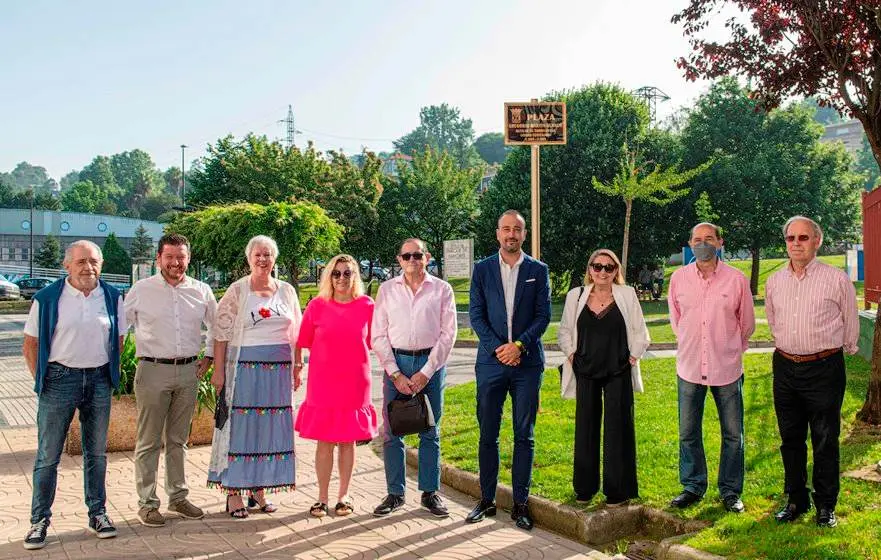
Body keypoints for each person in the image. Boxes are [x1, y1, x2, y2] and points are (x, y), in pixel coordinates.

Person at [21, 240, 124, 549]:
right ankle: (39, 520)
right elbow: (30, 345)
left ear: (101, 264)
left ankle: (98, 513)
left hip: (98, 379)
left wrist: (108, 375)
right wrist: (44, 380)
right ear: (67, 265)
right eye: (81, 261)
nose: (87, 267)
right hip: (59, 378)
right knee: (48, 455)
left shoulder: (112, 296)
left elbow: (118, 340)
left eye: (93, 261)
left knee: (96, 454)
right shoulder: (47, 298)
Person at [765, 216, 859, 528]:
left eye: (803, 238)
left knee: (825, 438)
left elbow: (850, 322)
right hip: (786, 367)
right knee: (790, 438)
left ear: (816, 242)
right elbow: (774, 320)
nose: (796, 244)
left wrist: (837, 350)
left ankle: (825, 505)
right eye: (790, 238)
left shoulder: (836, 279)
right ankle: (795, 499)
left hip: (825, 368)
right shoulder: (775, 282)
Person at [466, 210, 551, 531]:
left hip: (527, 365)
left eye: (517, 229)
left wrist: (520, 346)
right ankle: (486, 500)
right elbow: (476, 314)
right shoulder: (483, 269)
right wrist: (500, 348)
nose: (511, 234)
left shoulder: (538, 270)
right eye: (506, 229)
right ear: (498, 233)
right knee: (488, 434)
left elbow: (543, 316)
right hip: (491, 363)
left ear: (524, 234)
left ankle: (520, 504)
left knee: (524, 436)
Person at [124, 233, 217, 527]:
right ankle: (148, 504)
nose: (176, 263)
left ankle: (178, 497)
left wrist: (210, 357)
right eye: (170, 257)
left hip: (189, 371)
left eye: (181, 257)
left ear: (188, 258)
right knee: (148, 441)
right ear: (159, 259)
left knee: (178, 440)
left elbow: (216, 326)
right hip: (152, 370)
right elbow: (119, 327)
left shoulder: (201, 291)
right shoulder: (141, 289)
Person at [207, 236, 301, 518]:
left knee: (269, 431)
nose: (263, 259)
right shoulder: (238, 290)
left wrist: (298, 365)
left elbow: (297, 332)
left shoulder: (286, 291)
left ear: (275, 259)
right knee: (241, 430)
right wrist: (219, 371)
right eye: (258, 254)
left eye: (268, 254)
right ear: (249, 258)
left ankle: (258, 490)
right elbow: (220, 334)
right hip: (245, 370)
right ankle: (234, 492)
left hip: (278, 372)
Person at [667, 223, 755, 513]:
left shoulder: (737, 280)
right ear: (690, 243)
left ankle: (730, 491)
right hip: (690, 367)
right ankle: (693, 485)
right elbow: (677, 320)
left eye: (708, 239)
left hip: (727, 368)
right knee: (687, 432)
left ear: (720, 242)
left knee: (733, 434)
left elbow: (747, 324)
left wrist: (728, 349)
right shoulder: (678, 279)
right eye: (697, 239)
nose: (702, 244)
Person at [371, 238, 457, 518]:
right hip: (396, 362)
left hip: (429, 363)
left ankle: (430, 493)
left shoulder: (442, 290)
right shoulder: (386, 290)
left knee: (430, 430)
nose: (412, 260)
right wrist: (395, 373)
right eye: (406, 256)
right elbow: (378, 334)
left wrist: (426, 372)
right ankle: (395, 493)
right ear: (399, 260)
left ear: (427, 257)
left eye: (417, 255)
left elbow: (448, 334)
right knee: (392, 431)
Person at [558, 249, 649, 506]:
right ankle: (584, 488)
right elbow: (564, 331)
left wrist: (634, 355)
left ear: (616, 271)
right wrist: (573, 355)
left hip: (618, 369)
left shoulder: (627, 295)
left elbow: (641, 331)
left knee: (618, 428)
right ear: (589, 269)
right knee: (585, 429)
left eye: (609, 268)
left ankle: (617, 490)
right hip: (585, 369)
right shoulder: (575, 296)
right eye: (597, 266)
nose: (602, 272)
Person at [295, 254, 377, 517]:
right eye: (336, 273)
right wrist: (297, 368)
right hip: (323, 381)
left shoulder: (367, 305)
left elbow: (379, 340)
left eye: (347, 273)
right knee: (325, 441)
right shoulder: (317, 306)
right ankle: (321, 497)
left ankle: (344, 495)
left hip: (355, 381)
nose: (342, 278)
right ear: (328, 276)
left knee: (347, 441)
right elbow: (301, 341)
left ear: (355, 276)